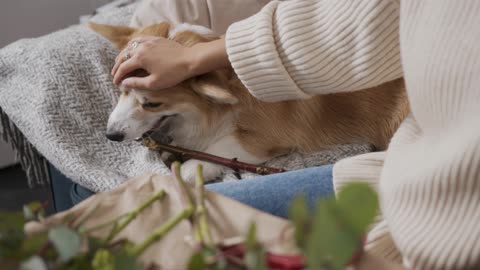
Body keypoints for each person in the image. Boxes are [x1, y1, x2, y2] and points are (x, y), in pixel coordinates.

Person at [110, 0, 480, 269]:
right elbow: (367, 16)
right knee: (159, 221)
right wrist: (197, 58)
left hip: (425, 204)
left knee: (165, 225)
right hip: (407, 167)